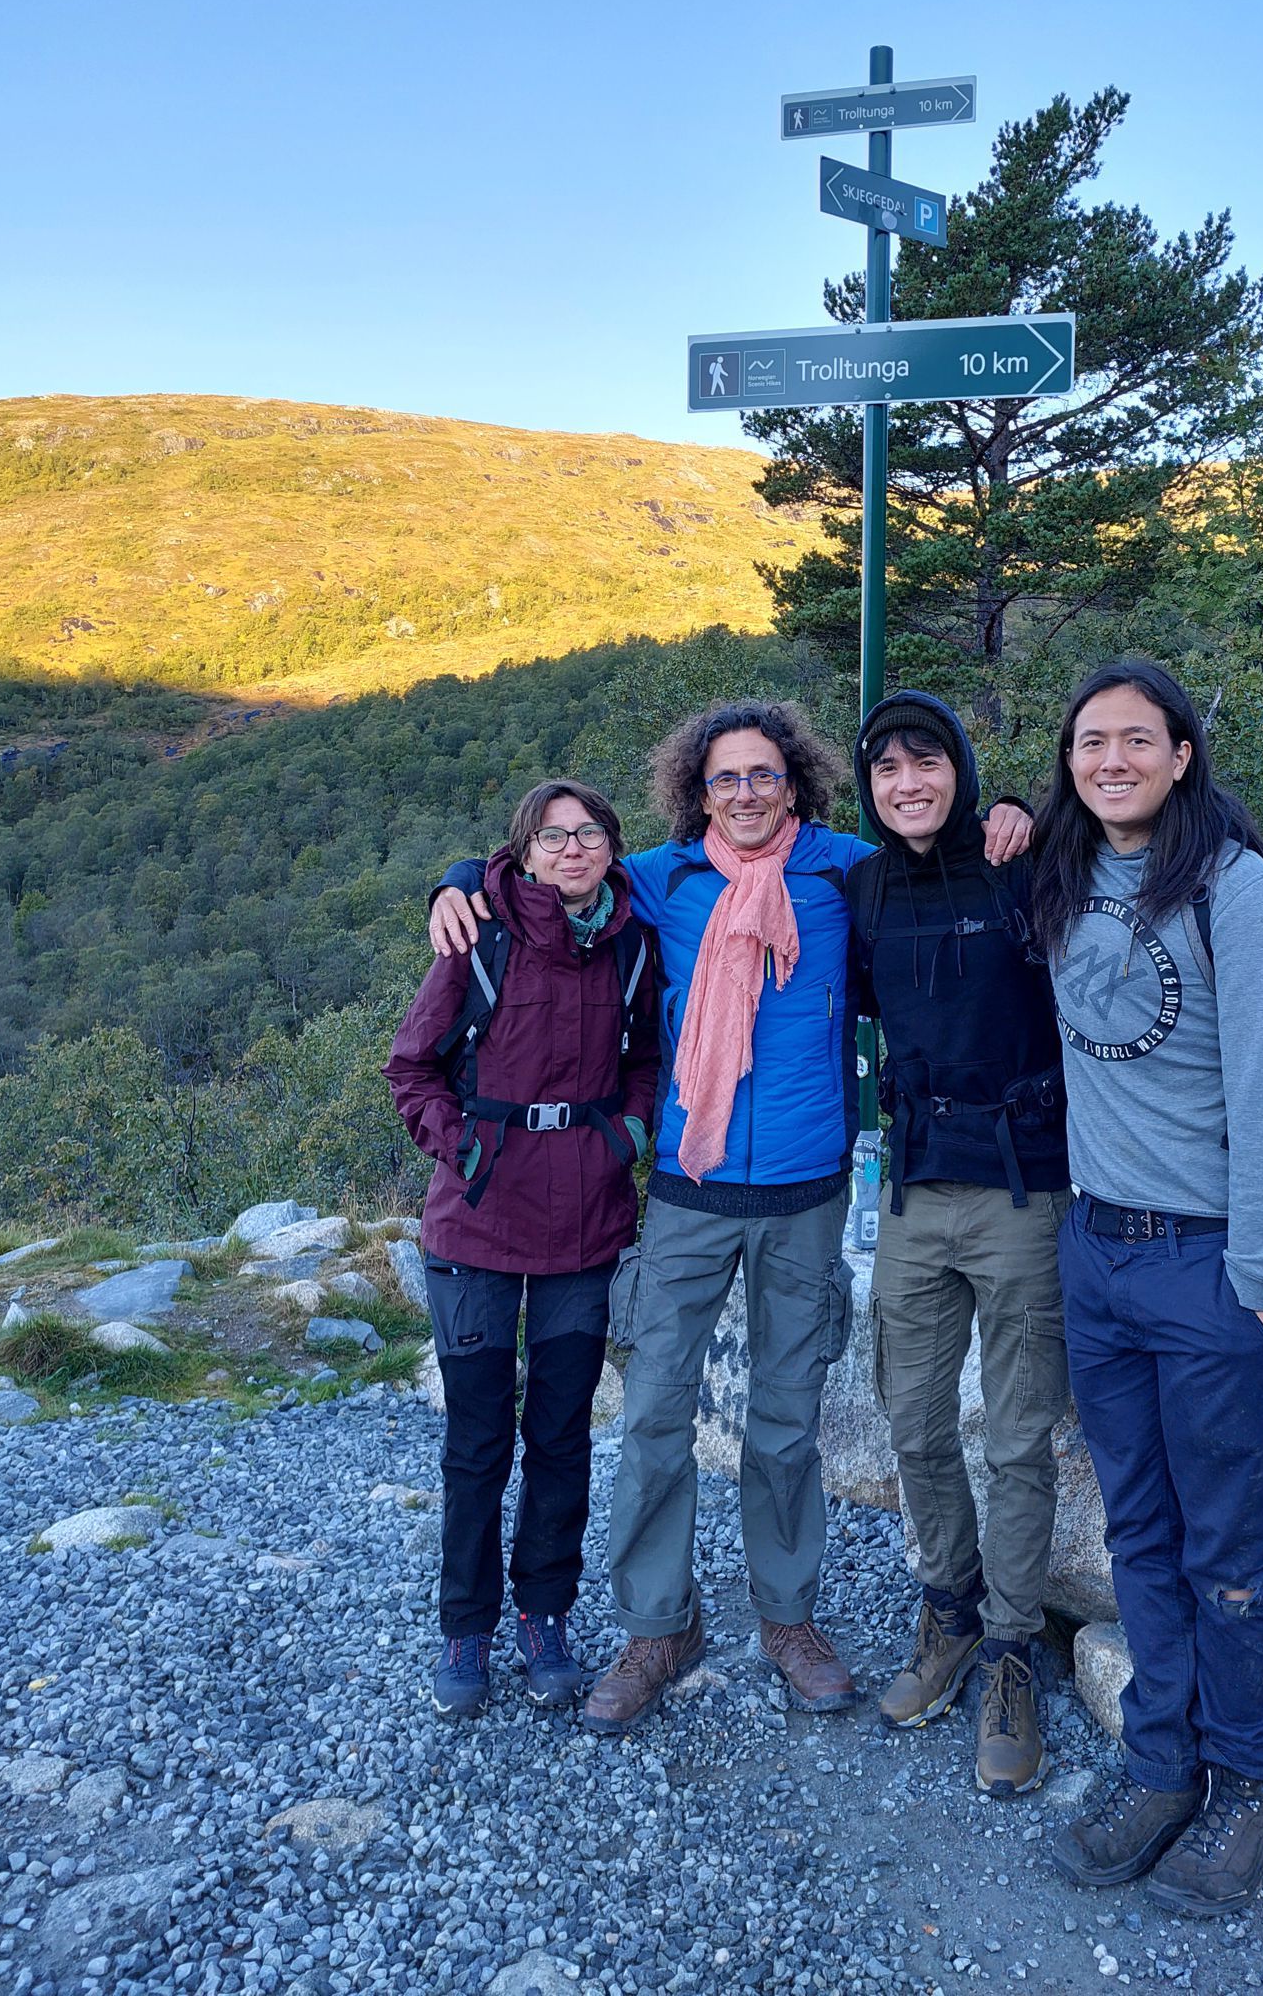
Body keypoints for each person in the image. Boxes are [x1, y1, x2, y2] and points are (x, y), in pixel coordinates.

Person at [429, 699, 1032, 1736]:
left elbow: (946, 845)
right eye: (724, 779)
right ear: (694, 792)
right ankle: (660, 1625)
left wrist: (1012, 807)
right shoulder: (658, 882)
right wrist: (457, 879)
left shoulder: (848, 872)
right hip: (686, 1190)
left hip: (803, 1191)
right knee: (656, 1410)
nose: (746, 794)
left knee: (785, 1424)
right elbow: (548, 877)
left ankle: (787, 1618)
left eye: (763, 775)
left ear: (795, 782)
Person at [1035, 659, 1263, 1916]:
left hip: (1210, 1262)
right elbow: (890, 843)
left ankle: (1252, 1782)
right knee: (1138, 1525)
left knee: (1229, 1539)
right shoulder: (1055, 871)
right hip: (1097, 1250)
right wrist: (473, 880)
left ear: (1182, 753)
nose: (1111, 760)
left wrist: (1260, 1270)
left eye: (1135, 740)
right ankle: (1160, 1762)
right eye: (1090, 742)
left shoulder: (1232, 887)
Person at [385, 779, 659, 1720]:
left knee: (560, 1432)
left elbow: (647, 1063)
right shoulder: (478, 938)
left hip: (585, 1219)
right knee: (476, 1436)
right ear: (525, 852)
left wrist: (627, 1134)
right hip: (476, 1223)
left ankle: (544, 1613)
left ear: (612, 849)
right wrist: (461, 1144)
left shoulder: (631, 946)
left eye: (590, 834)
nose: (573, 849)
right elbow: (410, 1064)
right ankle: (466, 1626)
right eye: (554, 836)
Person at [847, 691, 1070, 1799]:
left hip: (1024, 1188)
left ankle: (1014, 1650)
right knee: (915, 1418)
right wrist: (475, 875)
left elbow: (1123, 820)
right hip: (913, 1191)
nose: (905, 780)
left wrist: (1030, 802)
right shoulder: (866, 887)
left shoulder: (1019, 867)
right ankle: (949, 1607)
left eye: (924, 760)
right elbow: (734, 870)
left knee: (1019, 1437)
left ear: (961, 769)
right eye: (884, 767)